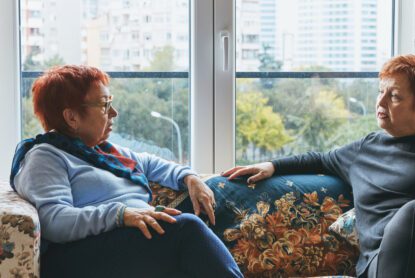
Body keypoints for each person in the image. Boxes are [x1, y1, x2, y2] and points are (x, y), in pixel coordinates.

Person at [222, 55, 415, 278]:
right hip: (384, 263)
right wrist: (272, 164)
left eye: (394, 96)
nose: (381, 102)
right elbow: (319, 158)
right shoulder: (364, 149)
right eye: (380, 91)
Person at [10, 65, 243, 278]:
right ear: (71, 117)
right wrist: (122, 214)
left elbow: (150, 164)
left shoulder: (101, 151)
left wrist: (189, 177)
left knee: (200, 223)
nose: (114, 113)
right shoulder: (46, 156)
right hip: (79, 256)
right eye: (104, 104)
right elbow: (55, 221)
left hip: (120, 245)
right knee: (187, 228)